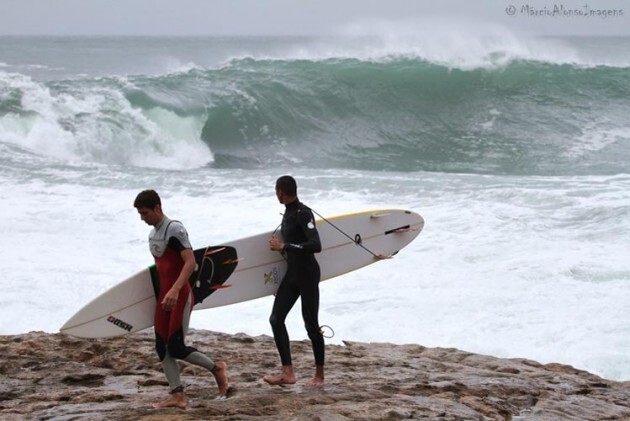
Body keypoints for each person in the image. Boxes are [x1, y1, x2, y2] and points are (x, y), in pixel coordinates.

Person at [133, 189, 228, 409]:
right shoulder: (152, 235)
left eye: (145, 213)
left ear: (158, 207)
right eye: (140, 213)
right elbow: (160, 269)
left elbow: (190, 263)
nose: (142, 218)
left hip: (180, 295)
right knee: (161, 346)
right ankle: (177, 395)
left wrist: (175, 291)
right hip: (164, 298)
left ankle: (217, 368)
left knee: (175, 347)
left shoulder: (174, 229)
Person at [265, 175, 325, 387]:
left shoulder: (303, 213)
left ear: (281, 191)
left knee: (311, 326)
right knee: (275, 319)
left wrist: (284, 247)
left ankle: (319, 377)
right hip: (292, 274)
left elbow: (315, 245)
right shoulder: (288, 214)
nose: (276, 195)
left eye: (276, 191)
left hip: (308, 274)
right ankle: (287, 373)